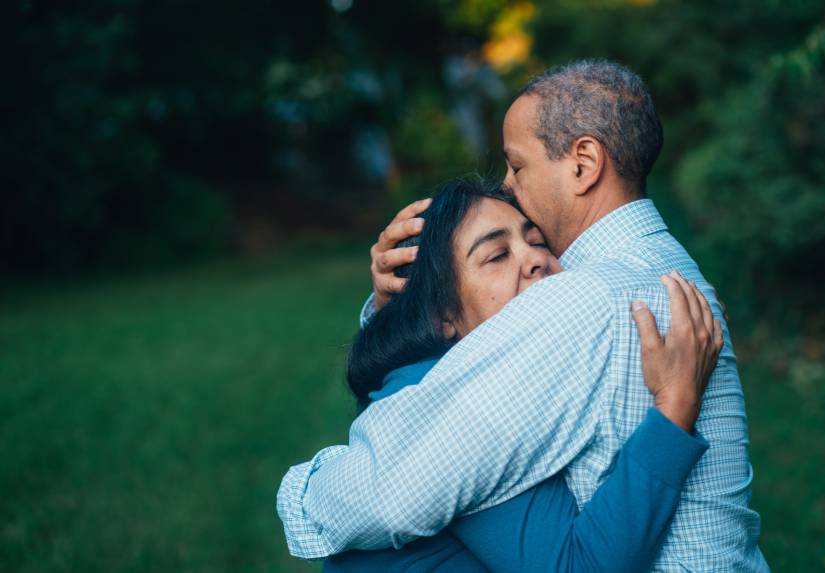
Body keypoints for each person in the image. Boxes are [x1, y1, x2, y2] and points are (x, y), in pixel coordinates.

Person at [278, 59, 768, 571]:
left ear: (583, 163)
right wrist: (396, 306)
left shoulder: (582, 299)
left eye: (517, 165)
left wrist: (305, 489)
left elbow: (388, 492)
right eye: (496, 253)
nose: (509, 185)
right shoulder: (674, 274)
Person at [322, 179, 719, 571]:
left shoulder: (466, 374)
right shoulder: (461, 410)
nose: (534, 259)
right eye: (497, 255)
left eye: (538, 241)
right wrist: (674, 407)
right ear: (442, 316)